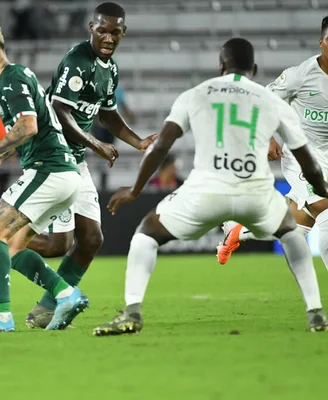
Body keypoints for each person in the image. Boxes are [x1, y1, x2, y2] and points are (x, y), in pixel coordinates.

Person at [93, 38, 328, 336]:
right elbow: (307, 159)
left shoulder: (196, 94)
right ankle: (315, 313)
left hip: (204, 191)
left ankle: (132, 313)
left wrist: (135, 190)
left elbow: (162, 144)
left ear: (220, 66)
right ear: (254, 69)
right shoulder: (269, 100)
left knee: (146, 234)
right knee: (291, 234)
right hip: (254, 192)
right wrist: (324, 190)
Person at [17, 2, 156, 329]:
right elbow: (59, 111)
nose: (108, 37)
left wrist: (138, 142)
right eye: (102, 30)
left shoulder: (110, 68)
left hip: (74, 159)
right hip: (53, 156)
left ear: (123, 32)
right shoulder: (77, 61)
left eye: (115, 31)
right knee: (57, 245)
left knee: (91, 239)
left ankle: (46, 309)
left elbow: (106, 113)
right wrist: (95, 143)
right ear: (91, 28)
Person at [0, 20, 89, 333]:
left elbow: (28, 126)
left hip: (49, 172)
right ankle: (67, 294)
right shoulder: (15, 79)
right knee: (11, 247)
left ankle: (0, 316)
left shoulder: (10, 78)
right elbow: (33, 130)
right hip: (63, 175)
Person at [217, 16, 328, 267]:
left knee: (295, 228)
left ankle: (238, 230)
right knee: (324, 208)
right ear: (321, 42)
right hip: (303, 157)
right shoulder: (299, 76)